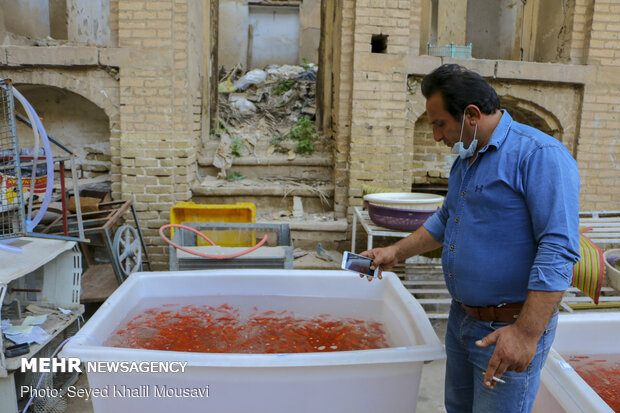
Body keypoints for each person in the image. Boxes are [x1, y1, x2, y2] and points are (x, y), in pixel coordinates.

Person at [361, 64, 580, 413]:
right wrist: (396, 252)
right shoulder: (467, 158)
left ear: (472, 114)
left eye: (439, 124)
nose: (435, 136)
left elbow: (558, 249)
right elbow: (447, 219)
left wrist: (525, 334)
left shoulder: (539, 155)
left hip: (507, 327)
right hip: (462, 319)